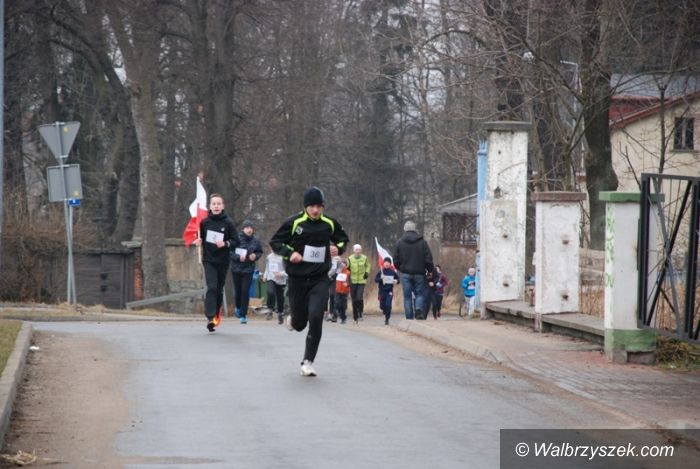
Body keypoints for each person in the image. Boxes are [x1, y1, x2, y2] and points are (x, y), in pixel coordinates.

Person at [270, 186, 349, 377]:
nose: (315, 210)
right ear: (305, 206)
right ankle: (293, 319)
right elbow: (275, 242)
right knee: (299, 324)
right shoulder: (294, 222)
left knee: (315, 316)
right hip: (297, 279)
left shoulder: (329, 223)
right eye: (312, 206)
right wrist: (290, 253)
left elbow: (343, 239)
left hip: (320, 278)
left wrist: (338, 248)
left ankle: (308, 362)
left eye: (319, 206)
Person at [194, 193, 238, 332]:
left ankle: (216, 314)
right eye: (214, 204)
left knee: (219, 289)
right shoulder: (204, 222)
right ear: (210, 206)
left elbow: (236, 241)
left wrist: (225, 243)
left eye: (219, 204)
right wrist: (198, 241)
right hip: (209, 260)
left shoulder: (228, 222)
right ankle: (210, 317)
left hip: (223, 260)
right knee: (211, 287)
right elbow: (199, 236)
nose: (216, 206)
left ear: (222, 206)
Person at [393, 220, 434, 320]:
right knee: (419, 294)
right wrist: (429, 270)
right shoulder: (423, 242)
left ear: (405, 229)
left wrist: (400, 268)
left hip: (405, 273)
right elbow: (428, 258)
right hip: (419, 273)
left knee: (407, 297)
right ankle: (418, 309)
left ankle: (409, 319)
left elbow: (395, 259)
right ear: (415, 229)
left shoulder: (400, 242)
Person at [230, 220, 263, 324]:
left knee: (245, 291)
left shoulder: (255, 241)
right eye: (247, 227)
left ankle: (243, 315)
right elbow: (230, 252)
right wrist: (238, 257)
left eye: (251, 228)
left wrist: (255, 256)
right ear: (243, 229)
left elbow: (259, 251)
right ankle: (238, 307)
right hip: (236, 269)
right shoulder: (236, 239)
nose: (249, 229)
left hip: (248, 269)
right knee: (238, 291)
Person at [347, 244, 370, 322]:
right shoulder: (350, 258)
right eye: (356, 250)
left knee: (359, 297)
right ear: (353, 250)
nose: (358, 251)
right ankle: (355, 314)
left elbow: (368, 266)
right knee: (354, 299)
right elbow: (347, 268)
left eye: (359, 250)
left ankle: (360, 312)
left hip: (361, 281)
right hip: (352, 281)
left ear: (361, 250)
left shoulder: (364, 258)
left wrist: (366, 272)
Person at [263, 251, 287, 324]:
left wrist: (281, 273)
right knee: (270, 292)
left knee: (280, 298)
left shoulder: (283, 257)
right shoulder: (269, 257)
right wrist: (265, 276)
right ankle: (270, 310)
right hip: (271, 278)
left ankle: (280, 313)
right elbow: (267, 268)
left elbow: (288, 270)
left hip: (281, 280)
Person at [375, 257, 400, 325]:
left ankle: (387, 319)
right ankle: (384, 310)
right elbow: (376, 280)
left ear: (390, 264)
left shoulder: (392, 272)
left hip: (389, 291)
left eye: (388, 262)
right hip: (381, 291)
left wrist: (396, 281)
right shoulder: (381, 272)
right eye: (385, 262)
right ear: (383, 263)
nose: (387, 264)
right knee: (382, 306)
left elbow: (398, 280)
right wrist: (381, 278)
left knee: (388, 305)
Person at [333, 259, 350, 324]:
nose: (342, 265)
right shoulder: (338, 272)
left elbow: (351, 282)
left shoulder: (348, 273)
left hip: (344, 292)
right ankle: (337, 313)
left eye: (343, 264)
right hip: (337, 291)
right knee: (337, 303)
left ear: (346, 265)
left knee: (343, 306)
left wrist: (347, 284)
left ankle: (343, 318)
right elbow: (332, 278)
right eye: (341, 264)